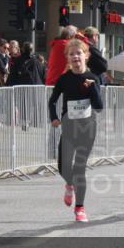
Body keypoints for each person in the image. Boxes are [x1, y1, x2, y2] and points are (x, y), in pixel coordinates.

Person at [49, 39, 104, 223]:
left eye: (78, 53)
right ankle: (69, 184)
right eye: (71, 54)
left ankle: (80, 208)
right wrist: (54, 117)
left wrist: (93, 88)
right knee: (63, 167)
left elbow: (99, 106)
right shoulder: (64, 79)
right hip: (69, 127)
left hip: (87, 129)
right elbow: (53, 100)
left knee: (79, 168)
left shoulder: (93, 78)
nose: (75, 57)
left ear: (86, 56)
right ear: (67, 58)